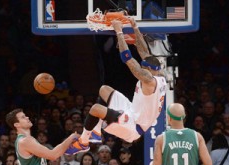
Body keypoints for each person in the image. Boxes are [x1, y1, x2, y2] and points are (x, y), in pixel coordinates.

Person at [65, 18, 167, 155]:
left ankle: (83, 142)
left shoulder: (148, 80)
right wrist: (135, 28)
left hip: (133, 126)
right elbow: (144, 52)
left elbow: (127, 58)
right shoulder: (159, 74)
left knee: (95, 109)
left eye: (142, 67)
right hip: (133, 111)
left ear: (145, 69)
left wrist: (119, 32)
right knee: (104, 90)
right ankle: (96, 130)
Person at [139, 103, 212, 165]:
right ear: (184, 117)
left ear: (169, 118)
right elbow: (208, 164)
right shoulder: (197, 136)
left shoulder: (162, 138)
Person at [5, 108, 79, 165]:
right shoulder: (25, 141)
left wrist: (69, 143)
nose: (27, 117)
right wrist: (70, 138)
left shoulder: (28, 139)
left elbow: (53, 152)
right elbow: (53, 155)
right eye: (23, 117)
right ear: (17, 124)